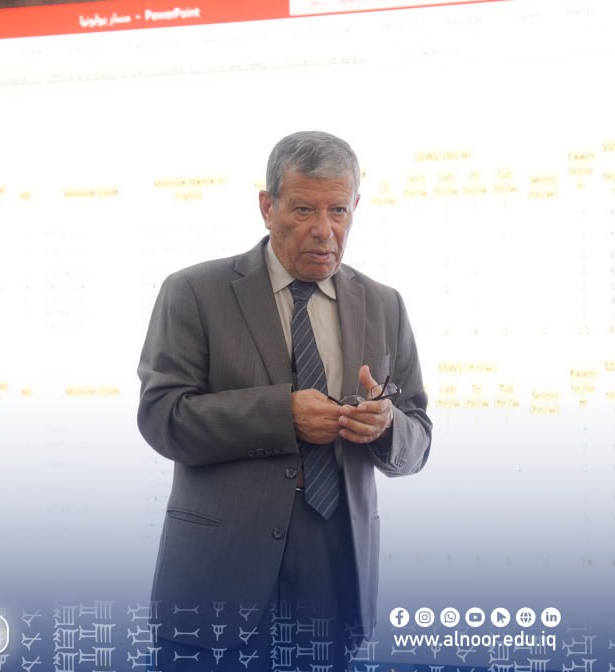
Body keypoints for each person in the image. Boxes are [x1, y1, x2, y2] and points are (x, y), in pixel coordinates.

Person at [137, 131, 432, 671]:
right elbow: (163, 419)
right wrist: (282, 415)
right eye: (303, 210)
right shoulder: (194, 292)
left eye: (338, 210)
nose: (324, 230)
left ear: (355, 207)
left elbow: (419, 438)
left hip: (337, 580)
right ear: (267, 207)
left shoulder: (384, 304)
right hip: (217, 582)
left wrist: (387, 426)